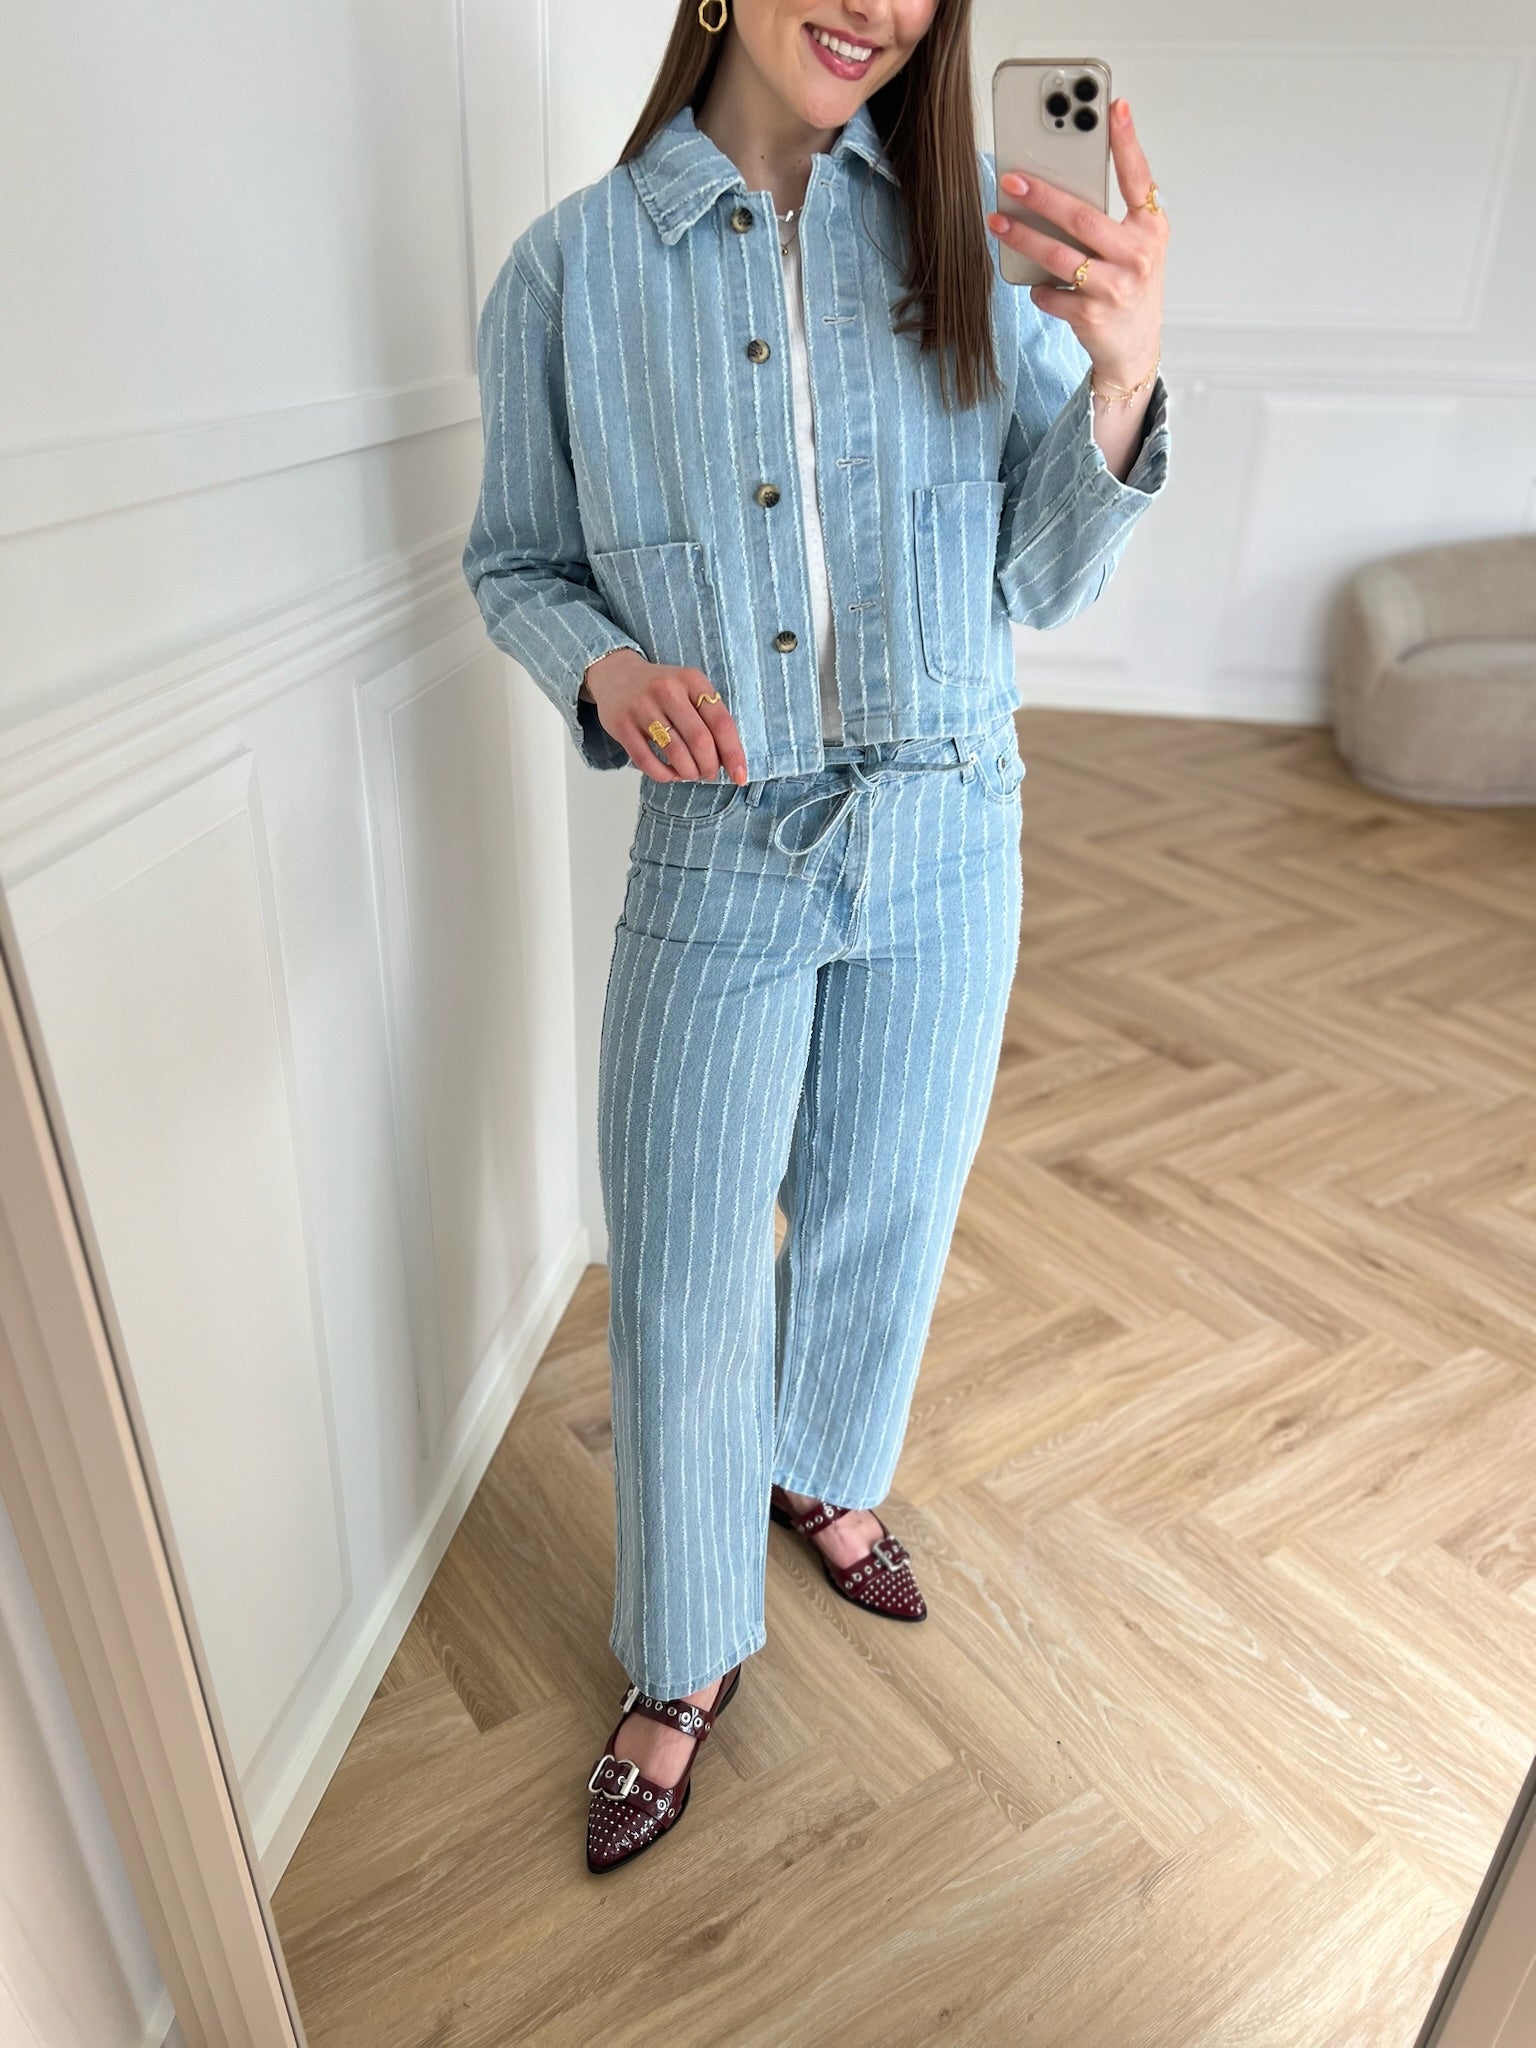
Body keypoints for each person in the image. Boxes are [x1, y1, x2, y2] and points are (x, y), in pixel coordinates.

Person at [463, 0, 1170, 1873]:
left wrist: (1117, 377)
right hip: (721, 846)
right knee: (686, 1266)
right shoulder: (569, 275)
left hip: (952, 825)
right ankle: (683, 1649)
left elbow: (1042, 571)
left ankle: (823, 1473)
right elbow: (515, 560)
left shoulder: (973, 237)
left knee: (887, 1204)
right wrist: (604, 669)